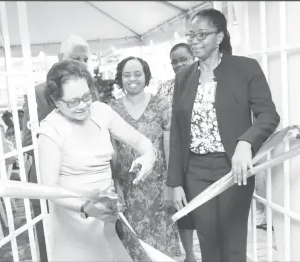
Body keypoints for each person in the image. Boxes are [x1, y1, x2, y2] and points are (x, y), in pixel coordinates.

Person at [167, 8, 280, 262]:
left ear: (219, 37)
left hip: (232, 169)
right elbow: (177, 132)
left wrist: (245, 142)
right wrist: (175, 182)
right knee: (207, 238)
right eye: (191, 35)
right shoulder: (184, 77)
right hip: (194, 170)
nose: (194, 41)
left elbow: (268, 115)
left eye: (202, 35)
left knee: (233, 239)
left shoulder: (245, 68)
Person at [37, 59, 156, 261]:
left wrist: (149, 155)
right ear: (55, 100)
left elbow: (140, 141)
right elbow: (50, 189)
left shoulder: (101, 111)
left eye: (86, 96)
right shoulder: (51, 130)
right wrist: (86, 207)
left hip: (107, 214)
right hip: (73, 219)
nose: (83, 105)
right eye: (73, 101)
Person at [21, 35, 93, 261]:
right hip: (51, 184)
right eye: (76, 58)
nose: (81, 63)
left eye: (86, 59)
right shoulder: (40, 92)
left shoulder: (89, 89)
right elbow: (27, 142)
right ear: (61, 58)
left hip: (85, 181)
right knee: (52, 247)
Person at [109, 56, 181, 261]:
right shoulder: (112, 109)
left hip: (158, 188)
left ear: (146, 76)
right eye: (127, 74)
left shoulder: (161, 104)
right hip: (129, 190)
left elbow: (170, 148)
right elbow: (112, 151)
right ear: (120, 78)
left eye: (138, 74)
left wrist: (171, 184)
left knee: (161, 248)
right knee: (132, 248)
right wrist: (116, 185)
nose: (133, 79)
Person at [156, 43, 197, 262]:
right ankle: (189, 254)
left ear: (194, 58)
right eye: (175, 61)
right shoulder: (164, 89)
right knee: (183, 210)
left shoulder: (207, 83)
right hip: (177, 157)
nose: (179, 64)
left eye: (184, 59)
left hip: (203, 157)